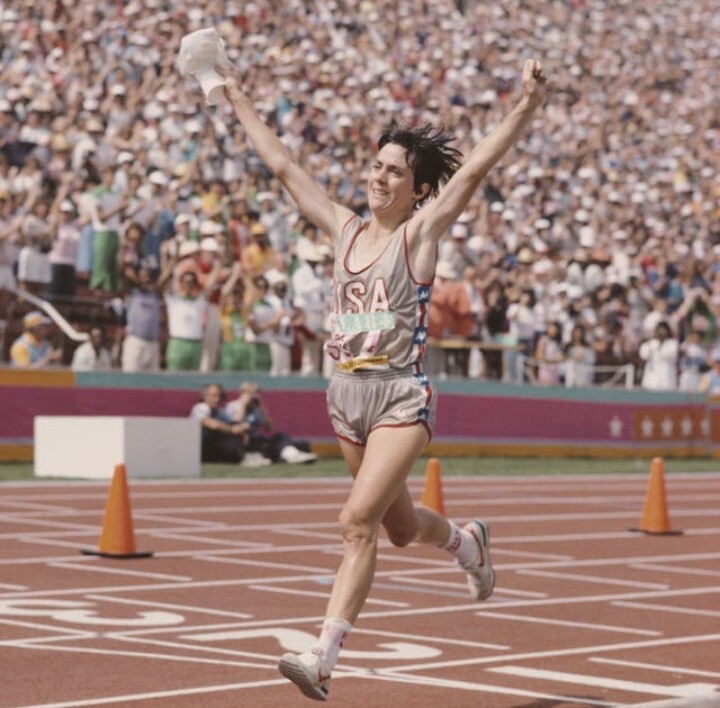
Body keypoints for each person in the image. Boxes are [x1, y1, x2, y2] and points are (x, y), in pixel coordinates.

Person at [218, 56, 546, 700]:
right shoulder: (342, 228)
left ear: (418, 189)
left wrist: (525, 106)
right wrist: (233, 96)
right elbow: (283, 166)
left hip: (400, 396)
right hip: (345, 396)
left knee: (355, 522)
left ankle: (323, 657)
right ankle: (466, 543)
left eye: (395, 171)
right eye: (376, 166)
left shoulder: (420, 233)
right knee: (397, 529)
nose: (379, 177)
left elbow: (473, 171)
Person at [225, 382, 317, 464]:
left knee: (281, 436)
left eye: (255, 393)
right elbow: (234, 426)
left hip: (258, 441)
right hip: (243, 443)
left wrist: (261, 409)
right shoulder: (232, 406)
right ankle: (286, 456)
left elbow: (270, 428)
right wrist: (243, 406)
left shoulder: (257, 409)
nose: (253, 396)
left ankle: (291, 455)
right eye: (250, 393)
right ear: (242, 394)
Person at [189, 383, 250, 464]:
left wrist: (242, 432)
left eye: (220, 396)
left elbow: (233, 423)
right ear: (204, 396)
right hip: (199, 446)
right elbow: (211, 424)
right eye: (214, 395)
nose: (217, 399)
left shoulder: (220, 412)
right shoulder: (201, 407)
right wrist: (231, 429)